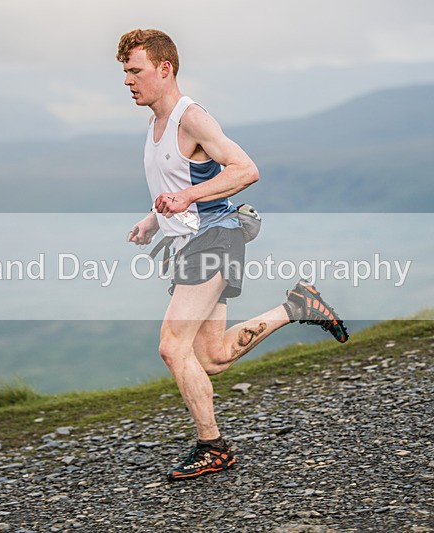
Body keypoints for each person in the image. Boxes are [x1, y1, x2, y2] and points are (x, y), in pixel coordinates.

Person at [118, 29, 348, 482]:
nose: (128, 80)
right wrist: (152, 219)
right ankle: (297, 307)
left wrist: (186, 198)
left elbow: (246, 169)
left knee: (171, 347)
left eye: (136, 71)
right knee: (212, 357)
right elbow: (175, 185)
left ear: (165, 69)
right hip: (194, 242)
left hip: (215, 239)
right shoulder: (156, 123)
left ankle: (213, 447)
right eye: (125, 72)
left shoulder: (191, 119)